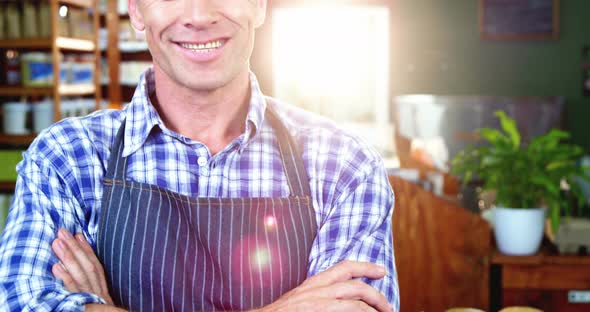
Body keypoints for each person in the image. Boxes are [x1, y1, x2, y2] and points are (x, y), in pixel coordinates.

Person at [0, 0, 399, 311]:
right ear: (137, 10)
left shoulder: (345, 167)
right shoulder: (66, 159)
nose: (198, 15)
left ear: (259, 5)